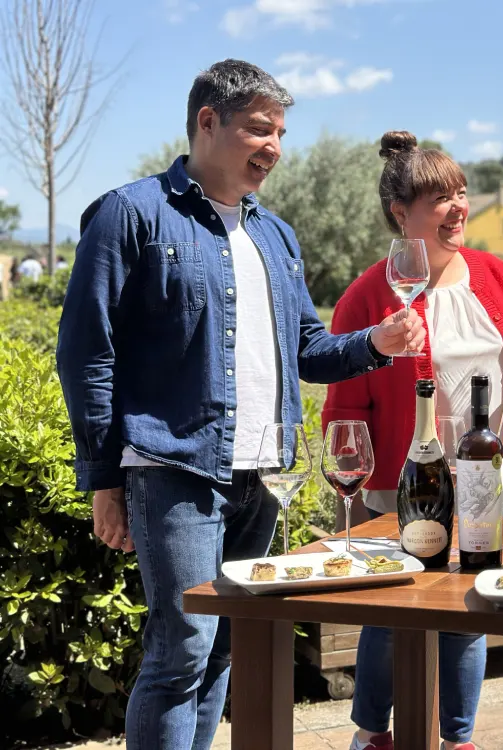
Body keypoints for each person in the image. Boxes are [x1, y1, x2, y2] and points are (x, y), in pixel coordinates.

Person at [55, 60, 425, 750]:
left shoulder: (276, 236)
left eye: (281, 132)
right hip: (175, 471)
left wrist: (376, 342)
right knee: (180, 651)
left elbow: (307, 348)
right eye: (260, 128)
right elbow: (86, 354)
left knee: (224, 650)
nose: (274, 147)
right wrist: (104, 476)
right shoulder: (130, 214)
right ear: (207, 122)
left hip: (264, 477)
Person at [323, 131, 503, 750]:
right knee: (390, 614)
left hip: (486, 475)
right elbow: (344, 410)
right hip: (403, 481)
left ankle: (458, 741)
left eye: (462, 194)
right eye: (440, 198)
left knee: (471, 607)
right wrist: (353, 489)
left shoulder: (496, 275)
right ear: (401, 213)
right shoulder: (368, 295)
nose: (458, 208)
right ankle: (371, 736)